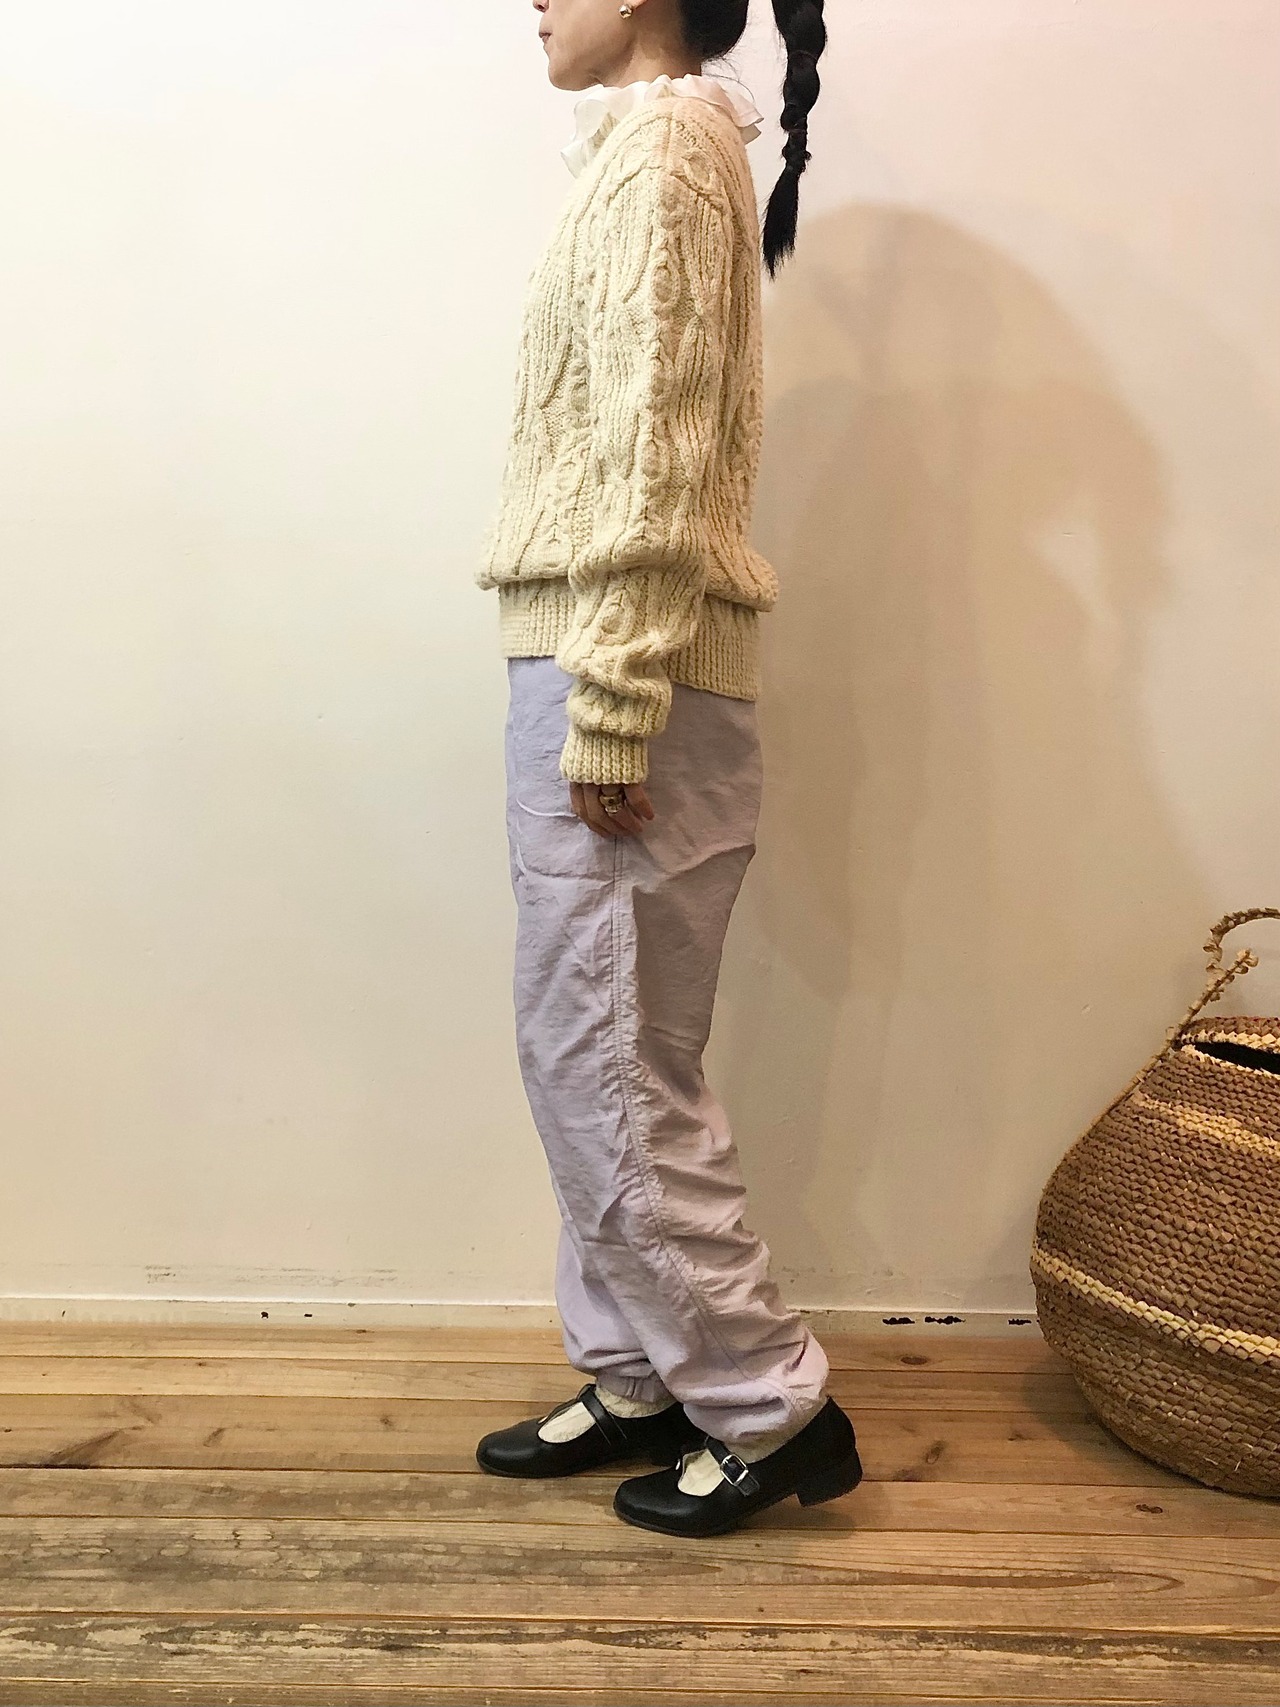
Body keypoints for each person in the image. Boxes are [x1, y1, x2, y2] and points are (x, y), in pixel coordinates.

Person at [472, 0, 860, 1540]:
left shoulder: (668, 158)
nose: (531, 2)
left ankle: (770, 1406)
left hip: (622, 674)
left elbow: (658, 446)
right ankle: (641, 1369)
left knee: (609, 1062)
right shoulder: (653, 153)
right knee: (596, 1053)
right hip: (600, 658)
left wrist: (617, 697)